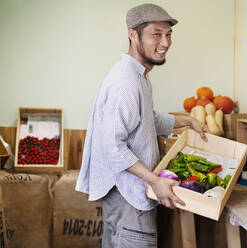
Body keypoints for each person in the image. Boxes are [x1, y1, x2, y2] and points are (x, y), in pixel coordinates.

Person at [75, 3, 208, 248]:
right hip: (129, 196)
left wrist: (187, 120)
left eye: (168, 34)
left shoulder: (138, 76)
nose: (165, 42)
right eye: (156, 34)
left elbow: (148, 119)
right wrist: (154, 181)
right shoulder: (125, 82)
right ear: (133, 34)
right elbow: (114, 148)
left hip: (129, 195)